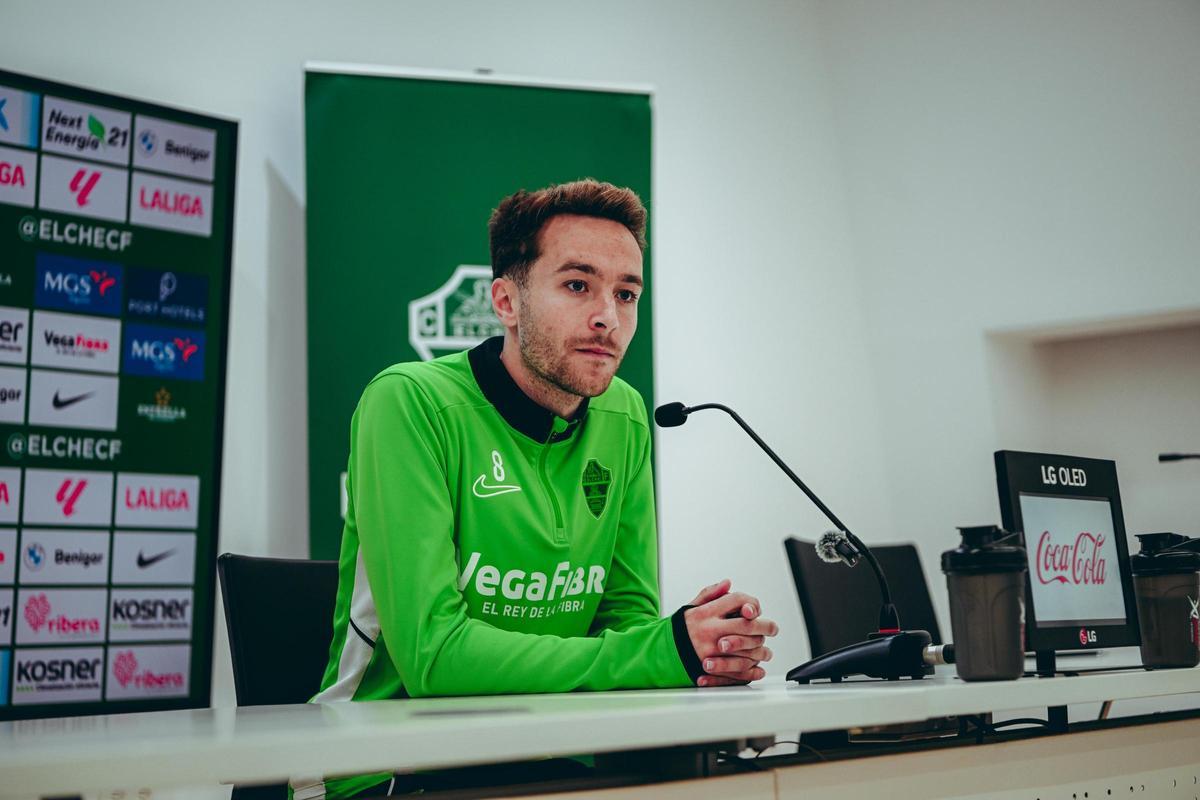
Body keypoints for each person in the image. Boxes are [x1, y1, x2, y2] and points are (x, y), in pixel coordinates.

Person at [292, 179, 778, 799]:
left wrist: (704, 654)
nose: (608, 316)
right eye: (577, 285)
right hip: (387, 768)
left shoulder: (625, 417)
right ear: (506, 302)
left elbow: (624, 621)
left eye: (626, 293)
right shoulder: (408, 403)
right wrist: (666, 648)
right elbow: (434, 659)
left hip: (552, 764)